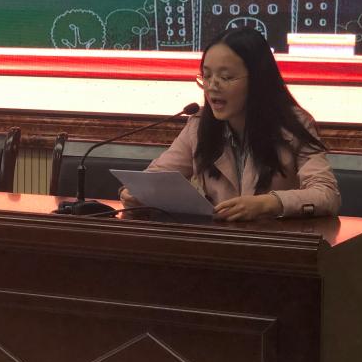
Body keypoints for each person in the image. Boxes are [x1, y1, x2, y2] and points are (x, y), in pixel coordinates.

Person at [120, 28, 341, 220]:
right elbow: (155, 177)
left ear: (258, 81)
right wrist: (135, 193)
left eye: (225, 78)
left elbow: (327, 195)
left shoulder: (293, 125)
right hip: (218, 245)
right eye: (206, 76)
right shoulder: (198, 126)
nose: (212, 86)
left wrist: (269, 203)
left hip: (277, 246)